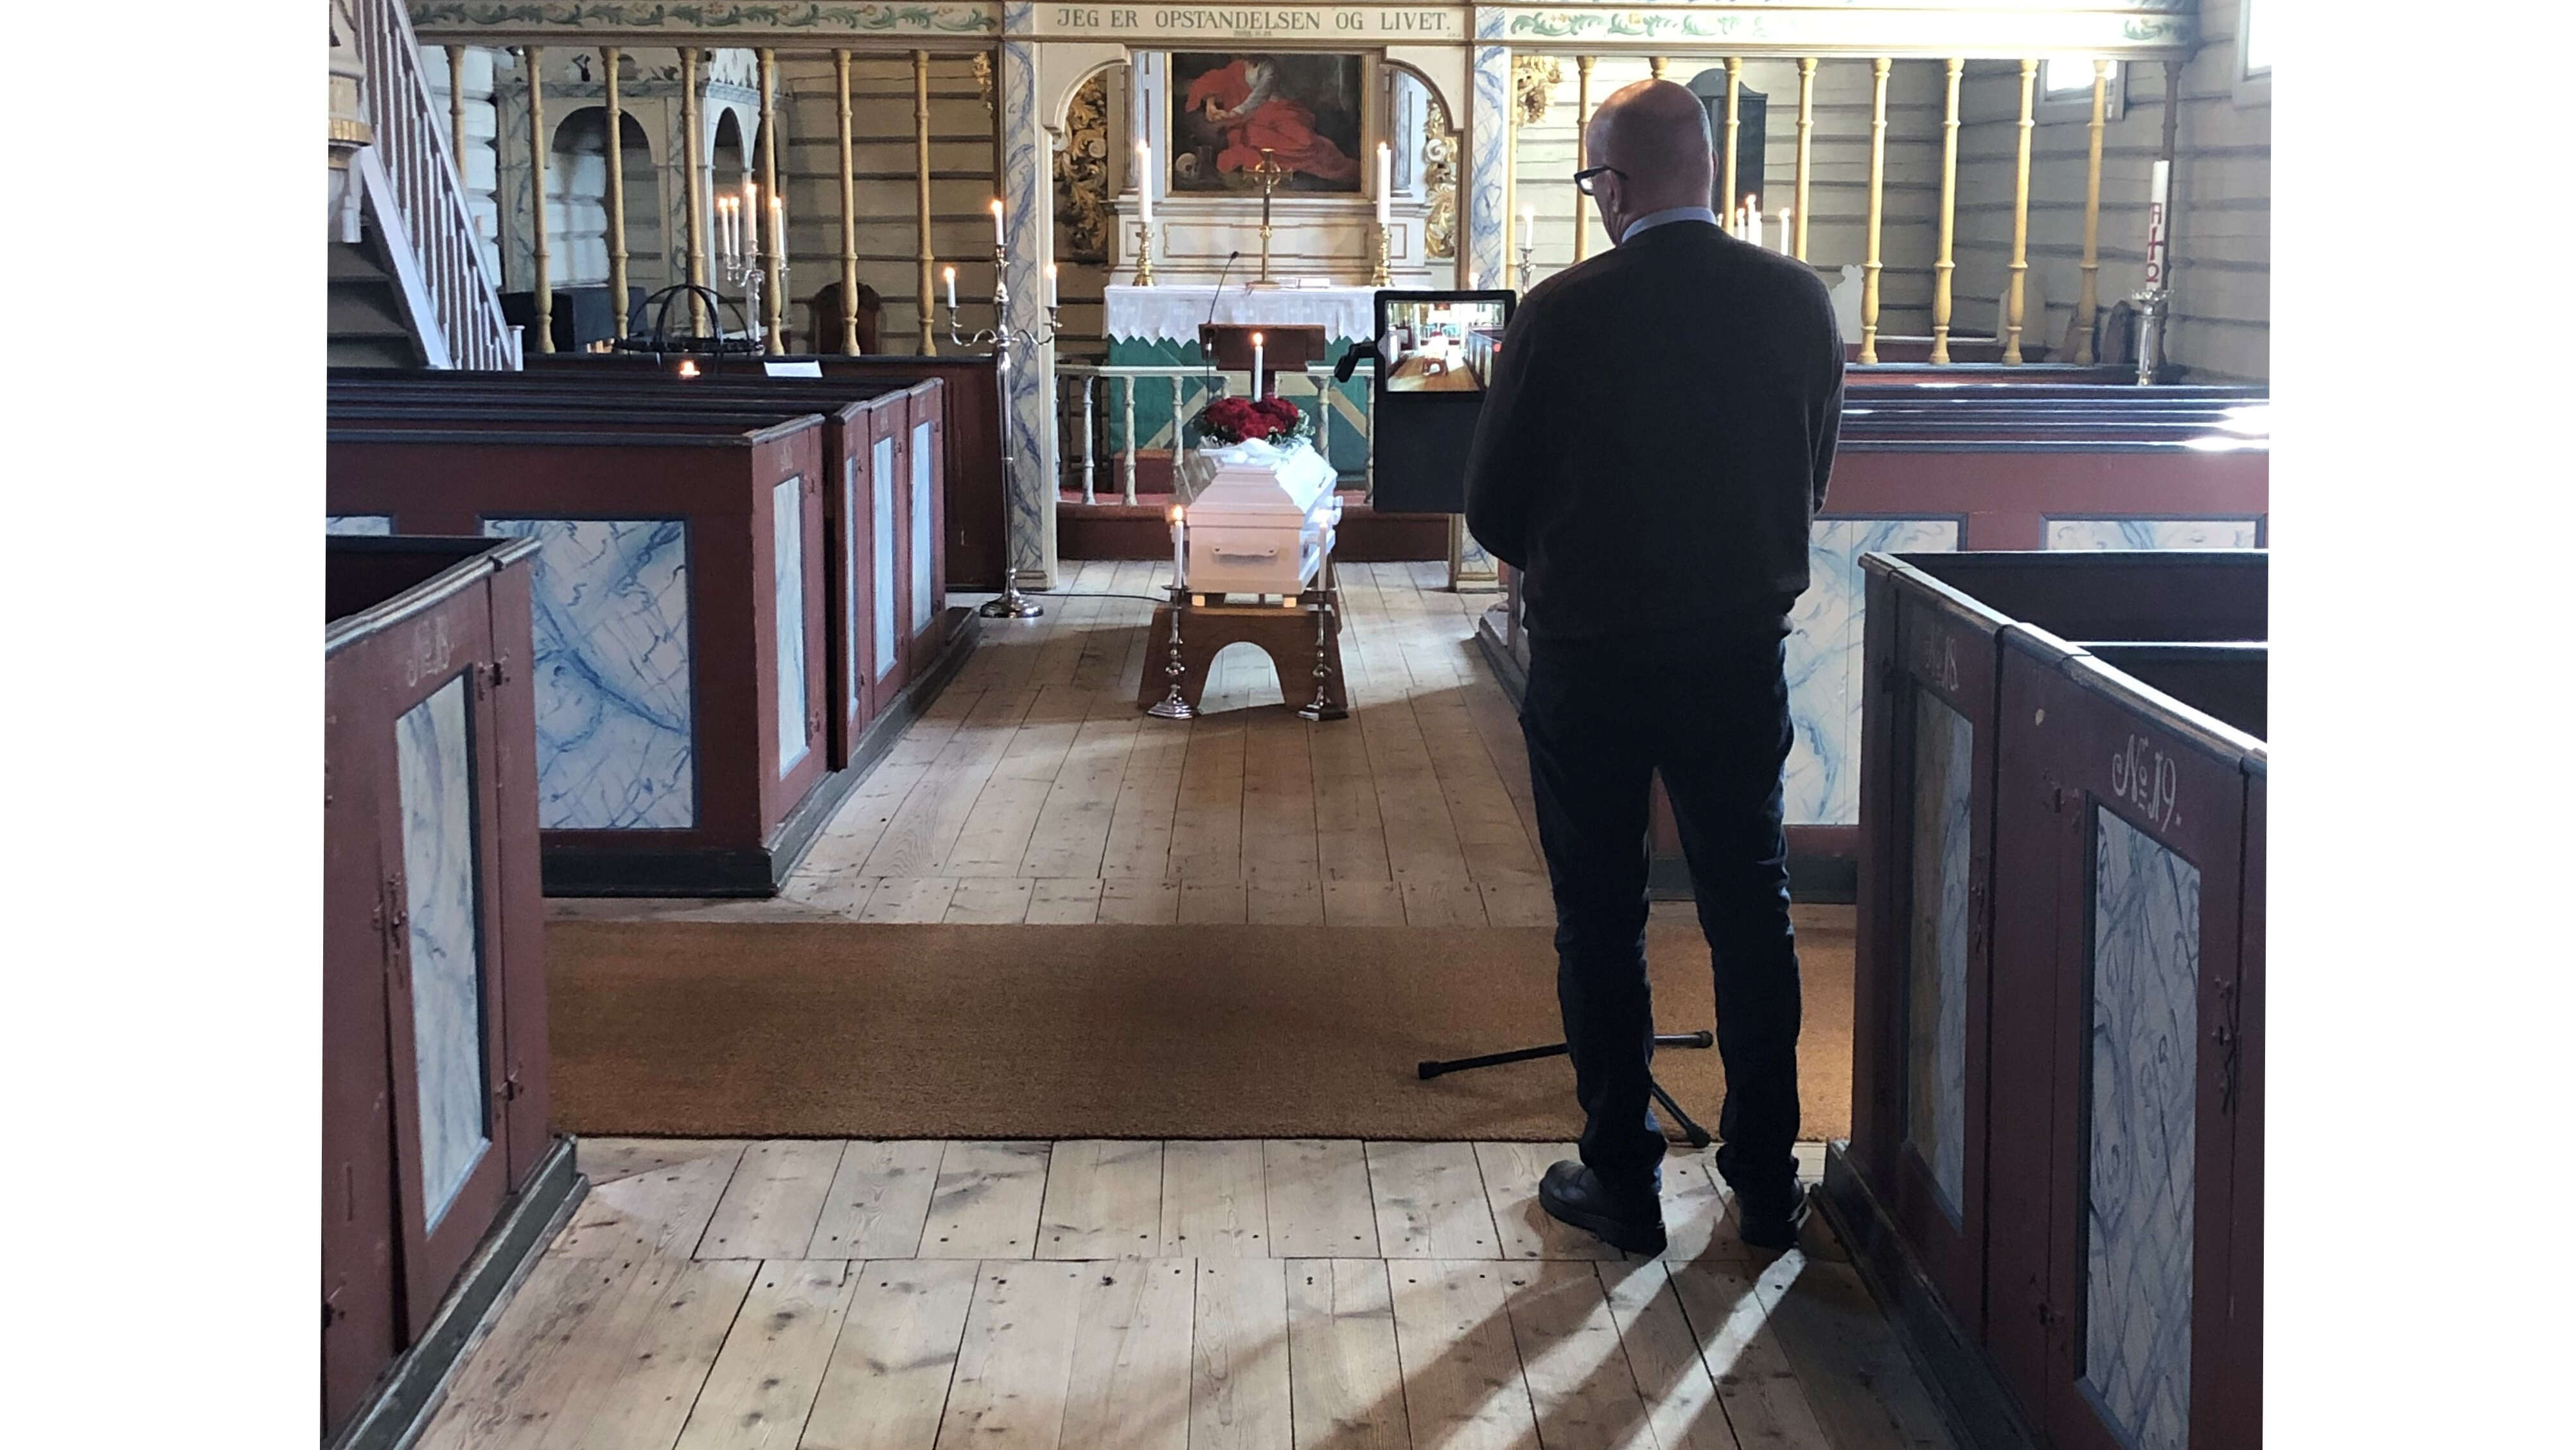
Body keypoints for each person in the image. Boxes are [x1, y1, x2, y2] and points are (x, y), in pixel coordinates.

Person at [1462, 79, 1844, 1254]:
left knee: (1599, 914)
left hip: (1591, 660)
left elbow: (1491, 507)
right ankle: (1766, 1182)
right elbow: (1809, 474)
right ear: (1708, 169)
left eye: (1591, 180)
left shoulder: (1560, 311)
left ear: (1615, 184)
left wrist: (1571, 557)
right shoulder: (1797, 301)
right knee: (1751, 905)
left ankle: (1621, 1179)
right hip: (1734, 652)